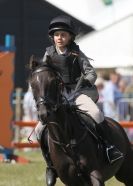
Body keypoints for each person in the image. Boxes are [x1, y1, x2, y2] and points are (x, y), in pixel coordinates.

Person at [34, 15, 123, 186]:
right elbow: (43, 71)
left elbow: (91, 73)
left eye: (63, 35)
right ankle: (51, 166)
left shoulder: (76, 52)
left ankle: (109, 149)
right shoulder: (49, 53)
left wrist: (86, 80)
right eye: (57, 34)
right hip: (59, 96)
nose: (59, 38)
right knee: (39, 129)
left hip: (79, 92)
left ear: (70, 37)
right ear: (52, 36)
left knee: (96, 113)